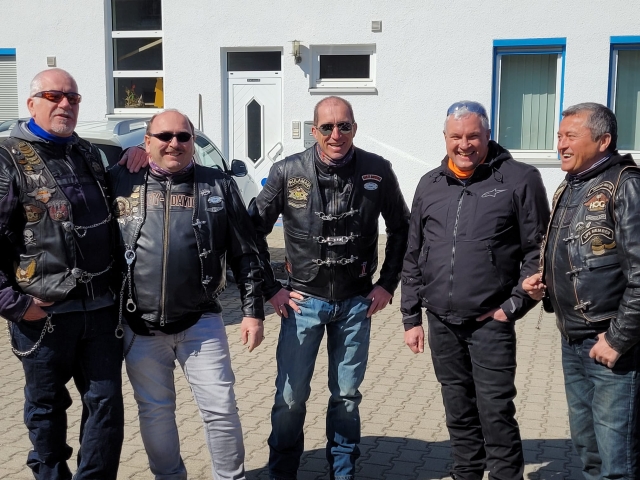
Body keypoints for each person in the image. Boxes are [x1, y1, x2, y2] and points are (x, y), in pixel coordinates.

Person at [249, 96, 410, 480]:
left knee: (347, 397)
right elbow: (250, 230)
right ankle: (282, 473)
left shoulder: (377, 169)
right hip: (302, 302)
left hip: (356, 303)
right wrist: (271, 289)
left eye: (344, 126)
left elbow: (402, 227)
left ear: (355, 128)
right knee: (290, 399)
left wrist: (387, 284)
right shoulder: (288, 171)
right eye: (327, 127)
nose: (336, 134)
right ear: (314, 131)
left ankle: (343, 472)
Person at [108, 109, 265, 480]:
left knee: (221, 409)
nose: (174, 143)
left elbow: (246, 252)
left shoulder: (218, 184)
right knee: (155, 411)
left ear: (193, 142)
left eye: (183, 136)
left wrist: (252, 311)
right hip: (139, 325)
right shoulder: (119, 180)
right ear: (147, 142)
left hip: (202, 321)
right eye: (164, 136)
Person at [402, 101, 550, 480]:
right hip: (441, 321)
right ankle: (465, 473)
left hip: (490, 322)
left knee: (495, 411)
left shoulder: (519, 179)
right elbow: (414, 252)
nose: (464, 145)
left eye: (473, 136)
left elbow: (539, 251)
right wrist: (411, 317)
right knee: (458, 411)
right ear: (445, 138)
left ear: (488, 135)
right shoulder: (430, 184)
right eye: (456, 137)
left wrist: (512, 307)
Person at [0, 68, 124, 479]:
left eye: (73, 98)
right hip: (43, 314)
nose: (65, 104)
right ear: (32, 103)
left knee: (106, 405)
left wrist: (138, 157)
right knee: (46, 408)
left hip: (100, 309)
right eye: (54, 96)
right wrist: (13, 304)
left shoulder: (87, 151)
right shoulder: (7, 157)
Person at [523, 103, 640, 478]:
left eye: (571, 136)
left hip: (612, 346)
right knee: (589, 450)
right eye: (559, 136)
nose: (560, 144)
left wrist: (618, 340)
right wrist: (543, 281)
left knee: (617, 461)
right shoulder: (570, 186)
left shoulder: (626, 185)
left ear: (603, 141)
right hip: (573, 340)